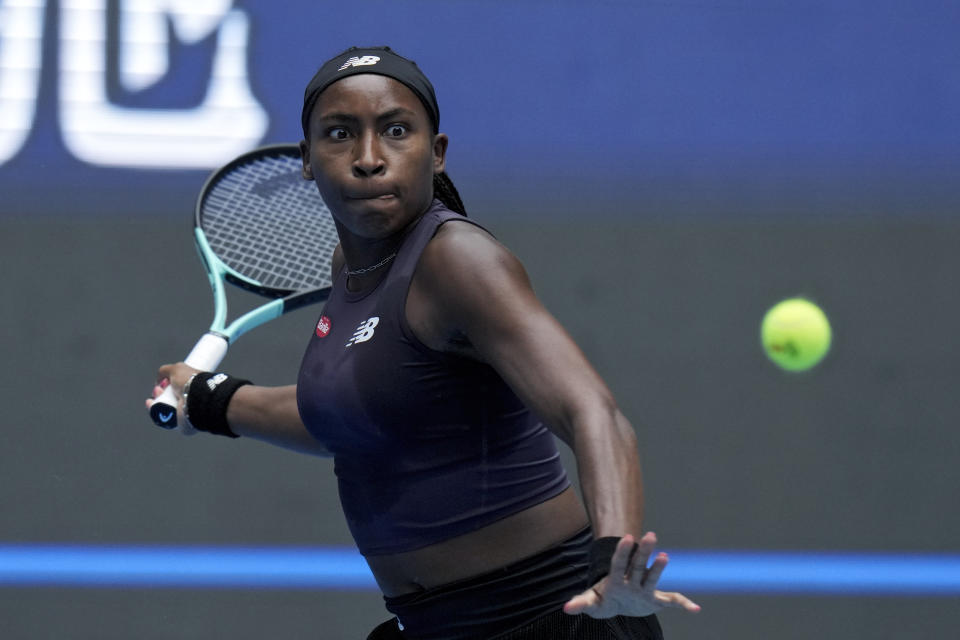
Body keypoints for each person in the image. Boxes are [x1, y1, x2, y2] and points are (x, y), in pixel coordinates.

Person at [148, 46, 700, 639]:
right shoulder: (352, 267)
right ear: (307, 161)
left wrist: (612, 557)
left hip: (555, 619)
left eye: (395, 131)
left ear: (435, 154)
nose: (368, 159)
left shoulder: (457, 260)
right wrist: (210, 400)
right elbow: (352, 414)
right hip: (433, 627)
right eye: (340, 134)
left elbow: (592, 411)